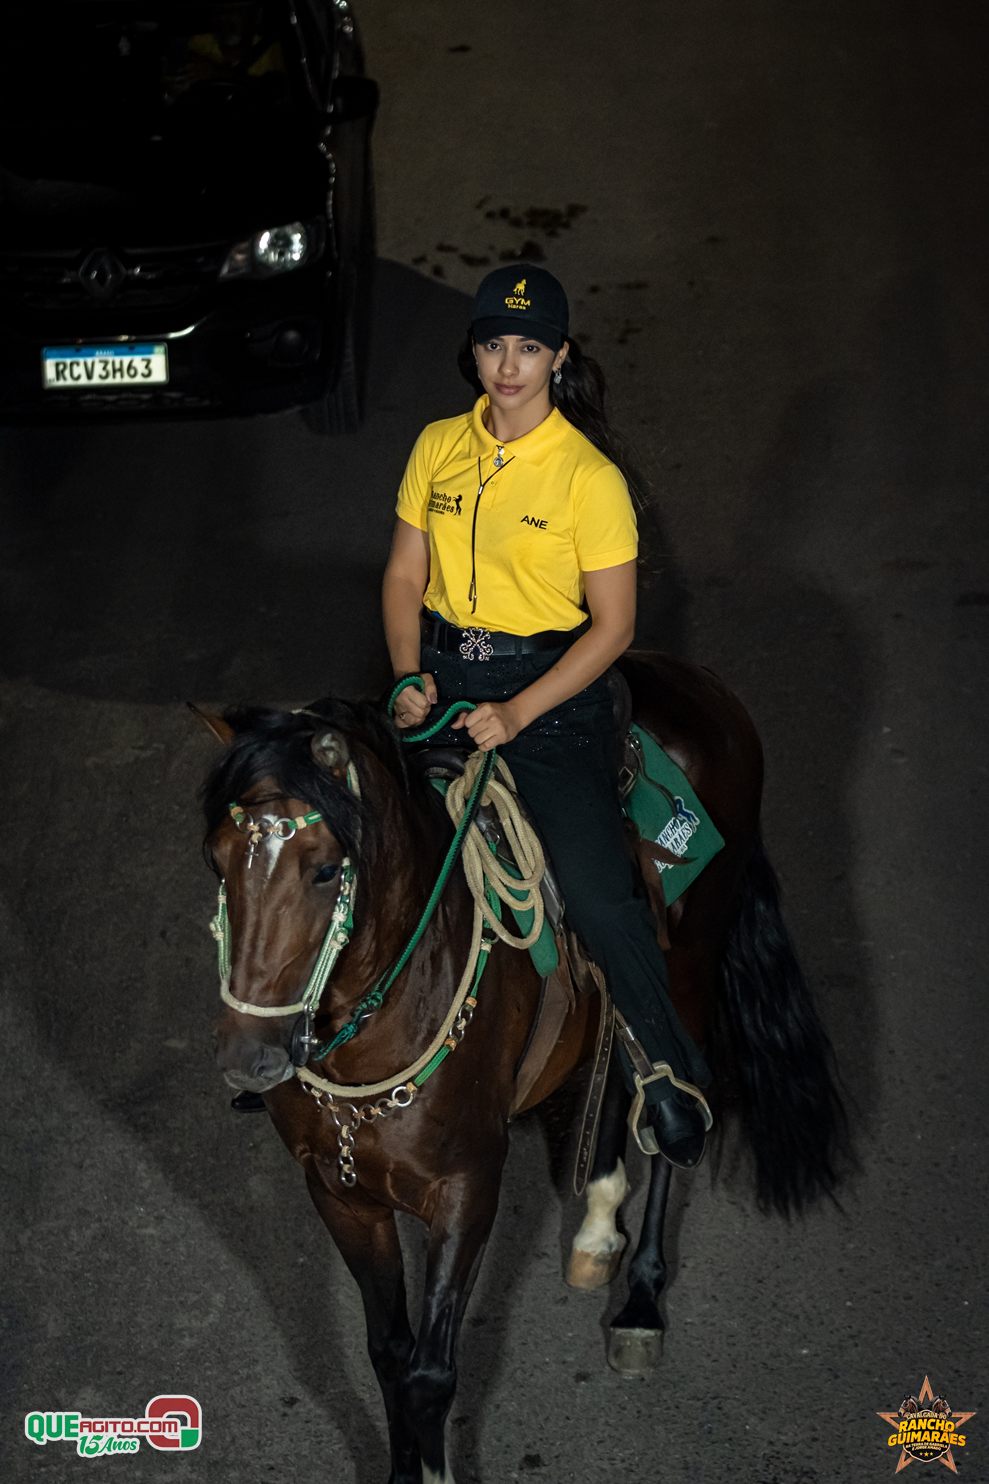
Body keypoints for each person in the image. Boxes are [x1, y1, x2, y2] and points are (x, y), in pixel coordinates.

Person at [381, 263, 711, 1167]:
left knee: (599, 893)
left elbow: (614, 628)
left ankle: (666, 1071)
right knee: (337, 822)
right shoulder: (436, 446)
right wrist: (407, 676)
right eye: (493, 344)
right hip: (439, 676)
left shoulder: (587, 477)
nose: (507, 366)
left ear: (559, 357)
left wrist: (518, 712)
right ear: (474, 351)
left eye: (528, 348)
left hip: (549, 694)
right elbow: (405, 574)